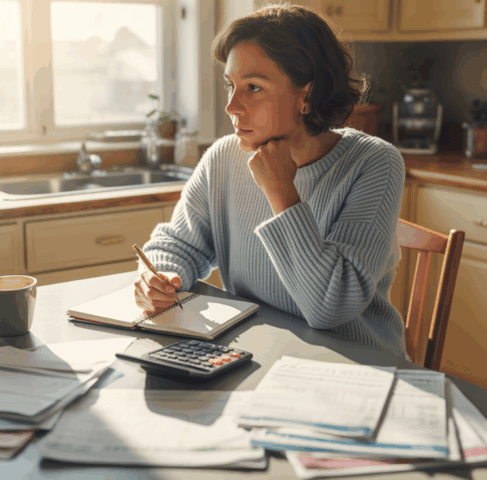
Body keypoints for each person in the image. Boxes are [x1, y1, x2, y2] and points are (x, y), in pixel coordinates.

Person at [134, 4, 407, 359]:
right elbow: (179, 245)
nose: (232, 106)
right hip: (262, 356)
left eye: (253, 87)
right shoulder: (224, 157)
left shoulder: (374, 163)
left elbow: (331, 307)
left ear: (306, 95)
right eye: (231, 85)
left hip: (357, 364)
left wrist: (281, 192)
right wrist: (160, 278)